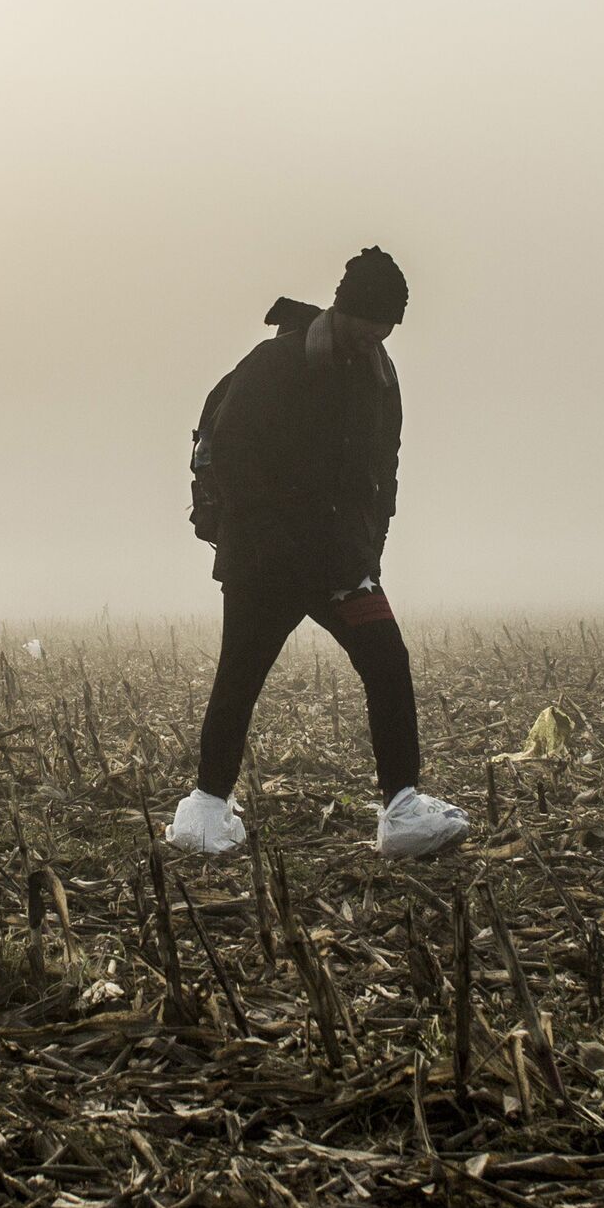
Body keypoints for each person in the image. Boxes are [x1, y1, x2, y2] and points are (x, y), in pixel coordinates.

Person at [167, 248, 470, 859]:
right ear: (346, 309)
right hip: (265, 566)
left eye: (389, 327)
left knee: (388, 661)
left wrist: (370, 552)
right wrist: (275, 541)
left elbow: (383, 472)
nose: (380, 336)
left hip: (340, 563)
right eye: (372, 323)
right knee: (239, 680)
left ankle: (403, 809)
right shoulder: (274, 364)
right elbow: (229, 456)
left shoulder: (380, 378)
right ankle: (205, 810)